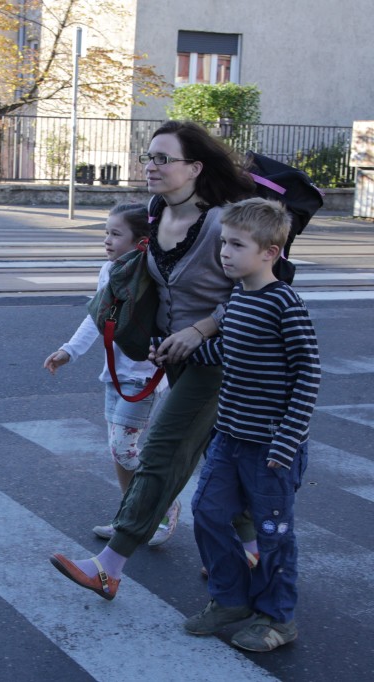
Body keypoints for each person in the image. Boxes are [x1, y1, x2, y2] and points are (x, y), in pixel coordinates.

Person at [49, 120, 256, 601]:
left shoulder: (224, 222)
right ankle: (253, 548)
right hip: (172, 357)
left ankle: (109, 566)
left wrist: (201, 327)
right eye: (148, 156)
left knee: (161, 451)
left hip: (217, 359)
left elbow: (259, 289)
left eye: (164, 158)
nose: (151, 166)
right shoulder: (156, 211)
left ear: (195, 168)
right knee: (215, 456)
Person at [174, 197, 320, 652]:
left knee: (274, 534)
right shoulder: (236, 299)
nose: (225, 253)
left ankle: (278, 619)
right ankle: (231, 600)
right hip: (230, 437)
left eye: (236, 245)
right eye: (223, 243)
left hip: (271, 447)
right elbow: (228, 353)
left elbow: (309, 373)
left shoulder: (284, 303)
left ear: (269, 253)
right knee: (209, 513)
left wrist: (288, 439)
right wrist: (180, 350)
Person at [43, 202, 169, 539]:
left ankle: (162, 508)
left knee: (123, 448)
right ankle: (130, 516)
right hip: (115, 375)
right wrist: (69, 350)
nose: (107, 240)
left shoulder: (156, 273)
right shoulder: (109, 270)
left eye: (116, 234)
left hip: (144, 376)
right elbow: (97, 315)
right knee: (119, 449)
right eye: (106, 233)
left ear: (141, 240)